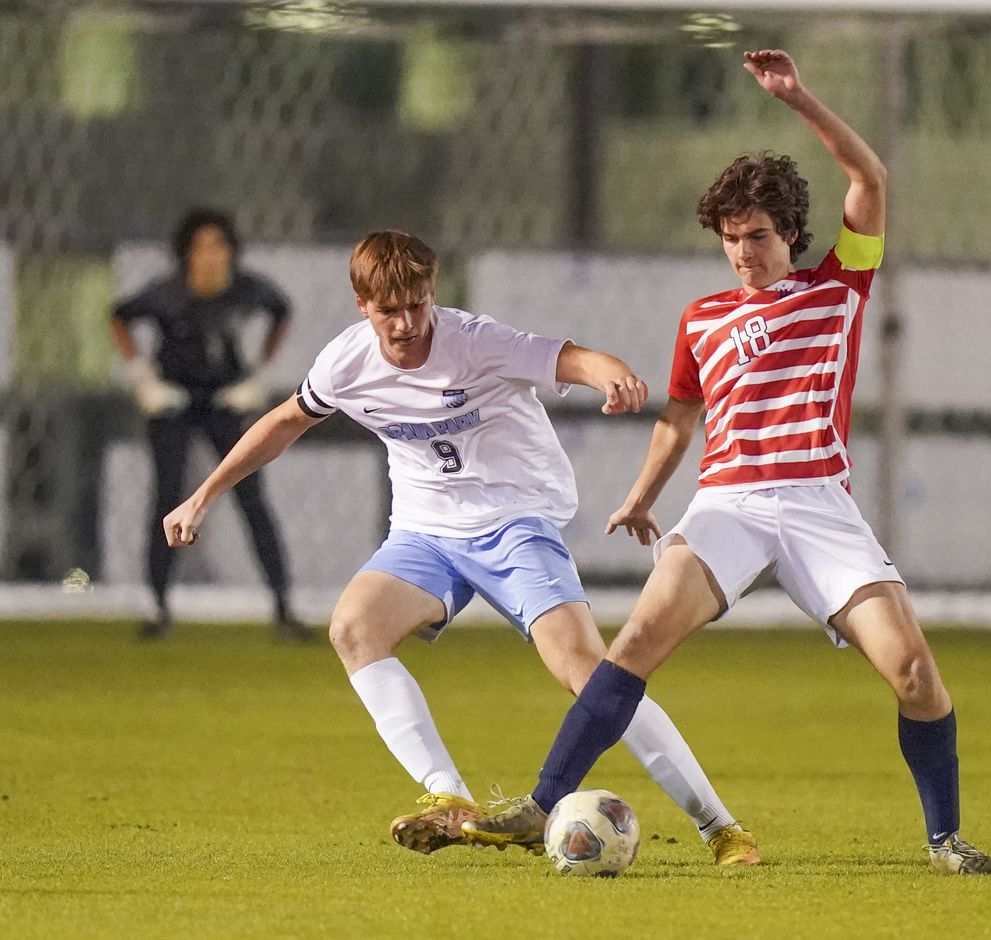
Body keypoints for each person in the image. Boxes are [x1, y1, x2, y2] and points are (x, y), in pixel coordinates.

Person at [464, 50, 991, 876]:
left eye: (756, 235)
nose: (743, 253)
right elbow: (681, 418)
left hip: (819, 503)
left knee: (914, 672)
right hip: (730, 503)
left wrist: (799, 98)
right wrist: (643, 496)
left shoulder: (839, 287)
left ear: (790, 232)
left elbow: (871, 177)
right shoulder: (703, 319)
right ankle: (538, 805)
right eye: (729, 239)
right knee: (637, 637)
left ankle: (945, 840)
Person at [161, 230, 760, 866]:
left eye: (418, 304)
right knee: (354, 628)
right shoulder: (345, 363)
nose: (407, 322)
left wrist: (612, 375)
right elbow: (285, 422)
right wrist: (203, 495)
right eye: (390, 309)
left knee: (589, 672)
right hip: (424, 532)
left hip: (515, 523)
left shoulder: (474, 341)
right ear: (362, 305)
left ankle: (719, 826)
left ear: (432, 294)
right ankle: (449, 797)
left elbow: (569, 358)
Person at [109, 208, 306, 641]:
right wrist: (144, 378)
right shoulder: (167, 293)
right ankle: (157, 607)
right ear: (186, 254)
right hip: (175, 400)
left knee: (252, 497)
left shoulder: (246, 289)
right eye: (201, 247)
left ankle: (283, 607)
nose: (211, 256)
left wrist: (260, 374)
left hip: (225, 399)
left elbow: (281, 311)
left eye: (219, 246)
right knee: (167, 496)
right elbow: (118, 316)